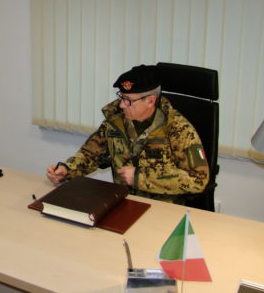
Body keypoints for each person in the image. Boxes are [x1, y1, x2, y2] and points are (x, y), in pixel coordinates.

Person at [46, 64, 209, 204]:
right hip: (123, 203)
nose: (122, 105)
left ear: (150, 101)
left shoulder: (178, 129)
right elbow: (90, 155)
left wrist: (140, 178)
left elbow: (198, 180)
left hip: (163, 209)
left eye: (128, 100)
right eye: (121, 97)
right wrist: (67, 170)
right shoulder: (115, 123)